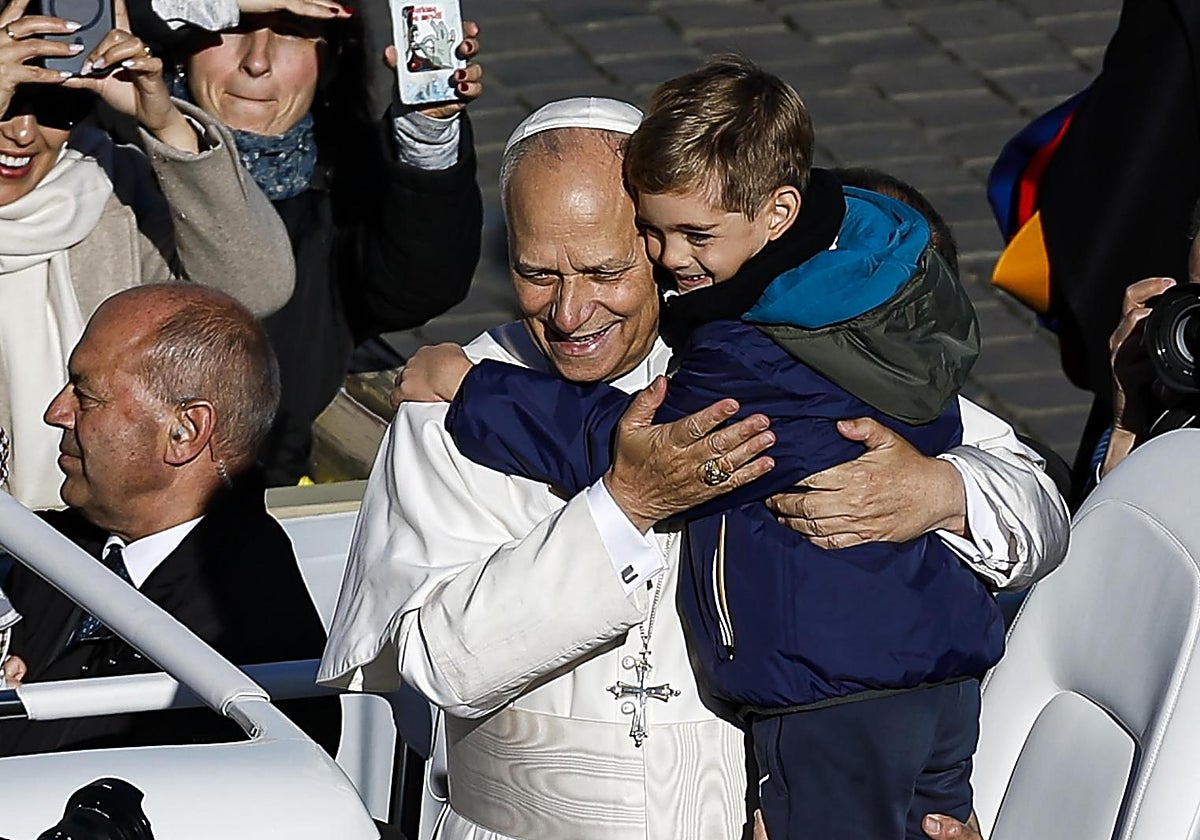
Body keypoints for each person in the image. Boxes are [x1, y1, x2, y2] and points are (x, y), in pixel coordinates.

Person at [319, 97, 1070, 840]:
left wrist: (937, 492)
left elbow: (1039, 508)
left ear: (657, 242)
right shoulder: (458, 397)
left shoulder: (787, 348)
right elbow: (440, 663)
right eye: (538, 274)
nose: (571, 312)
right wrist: (623, 508)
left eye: (604, 270)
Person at [133, 0, 485, 486]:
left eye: (293, 32)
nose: (257, 60)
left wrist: (427, 132)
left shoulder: (340, 187)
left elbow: (419, 285)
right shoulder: (106, 161)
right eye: (233, 24)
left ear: (333, 57)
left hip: (266, 500)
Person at [0, 284, 336, 757]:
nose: (57, 413)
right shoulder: (48, 546)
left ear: (185, 432)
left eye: (87, 395)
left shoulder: (253, 653)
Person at [0, 0, 294, 510]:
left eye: (54, 106)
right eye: (6, 101)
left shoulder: (106, 188)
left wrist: (167, 128)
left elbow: (255, 291)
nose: (23, 133)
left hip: (93, 538)